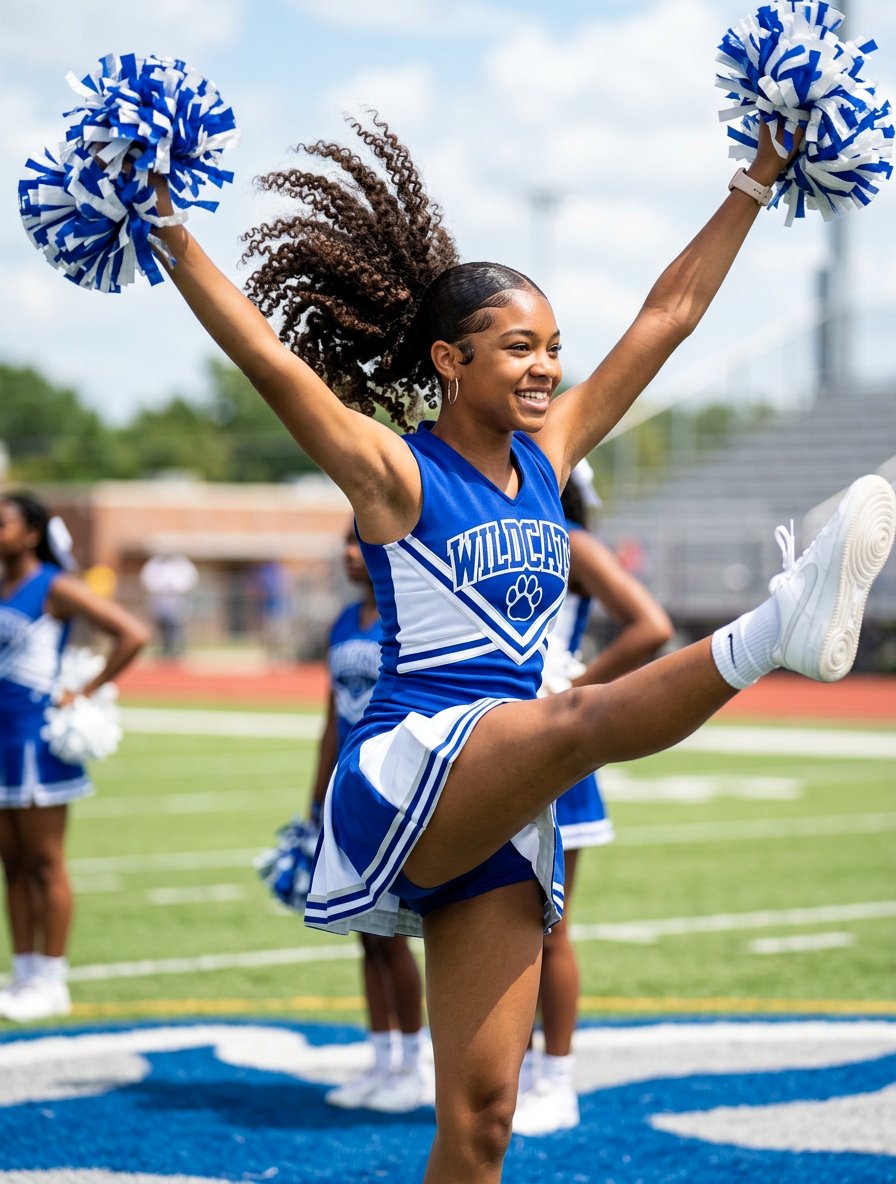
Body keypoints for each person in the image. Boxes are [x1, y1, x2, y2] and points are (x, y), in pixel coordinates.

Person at [148, 114, 895, 1183]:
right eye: (518, 348)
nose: (545, 368)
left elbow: (667, 315)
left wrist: (761, 168)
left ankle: (776, 625)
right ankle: (777, 622)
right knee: (576, 721)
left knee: (483, 1117)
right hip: (415, 757)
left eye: (552, 349)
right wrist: (168, 228)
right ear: (450, 360)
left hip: (503, 800)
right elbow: (268, 361)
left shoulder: (549, 458)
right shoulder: (392, 472)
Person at [513, 467, 673, 1136]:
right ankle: (506, 1070)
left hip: (550, 748)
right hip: (492, 742)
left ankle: (556, 1078)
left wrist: (577, 684)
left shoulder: (570, 541)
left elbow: (650, 625)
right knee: (485, 922)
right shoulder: (488, 531)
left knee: (548, 926)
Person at [0, 493, 148, 1022]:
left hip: (37, 743)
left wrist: (85, 689)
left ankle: (53, 977)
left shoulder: (54, 586)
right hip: (1, 741)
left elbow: (133, 633)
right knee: (12, 866)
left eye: (3, 523)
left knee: (44, 863)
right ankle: (22, 975)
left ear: (31, 533)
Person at [310, 523, 429, 1113]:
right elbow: (328, 718)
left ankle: (415, 1062)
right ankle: (382, 1059)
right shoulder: (339, 621)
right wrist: (317, 798)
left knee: (393, 932)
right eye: (344, 544)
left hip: (391, 784)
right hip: (347, 784)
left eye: (359, 543)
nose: (348, 554)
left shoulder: (410, 612)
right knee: (364, 933)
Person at [138, 550, 198, 659]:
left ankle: (178, 650)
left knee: (177, 627)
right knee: (162, 628)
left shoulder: (181, 564)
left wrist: (176, 587)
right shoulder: (155, 565)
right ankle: (165, 650)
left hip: (177, 600)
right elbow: (148, 579)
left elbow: (190, 579)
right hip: (160, 600)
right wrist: (161, 588)